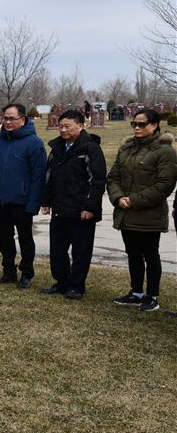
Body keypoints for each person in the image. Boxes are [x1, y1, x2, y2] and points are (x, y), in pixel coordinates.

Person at [107, 108, 177, 312]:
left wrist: (134, 201)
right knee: (133, 254)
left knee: (151, 255)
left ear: (154, 125)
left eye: (142, 124)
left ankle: (152, 296)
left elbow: (165, 184)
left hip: (148, 214)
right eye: (134, 124)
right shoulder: (126, 148)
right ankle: (136, 292)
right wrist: (118, 198)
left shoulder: (164, 151)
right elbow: (113, 177)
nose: (137, 128)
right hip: (126, 213)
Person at [39, 110, 106, 300]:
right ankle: (62, 282)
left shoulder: (90, 148)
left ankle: (76, 286)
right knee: (57, 250)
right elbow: (48, 176)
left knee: (80, 251)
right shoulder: (57, 148)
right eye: (60, 126)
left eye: (67, 126)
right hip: (60, 208)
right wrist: (46, 201)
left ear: (80, 126)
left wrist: (89, 207)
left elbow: (98, 180)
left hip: (81, 211)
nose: (62, 130)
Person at [0, 103, 47, 289]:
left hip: (22, 202)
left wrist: (33, 203)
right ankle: (8, 271)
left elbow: (38, 176)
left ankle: (26, 273)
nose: (8, 122)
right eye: (5, 118)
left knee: (25, 239)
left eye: (12, 118)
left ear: (23, 120)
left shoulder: (34, 143)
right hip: (1, 201)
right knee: (5, 239)